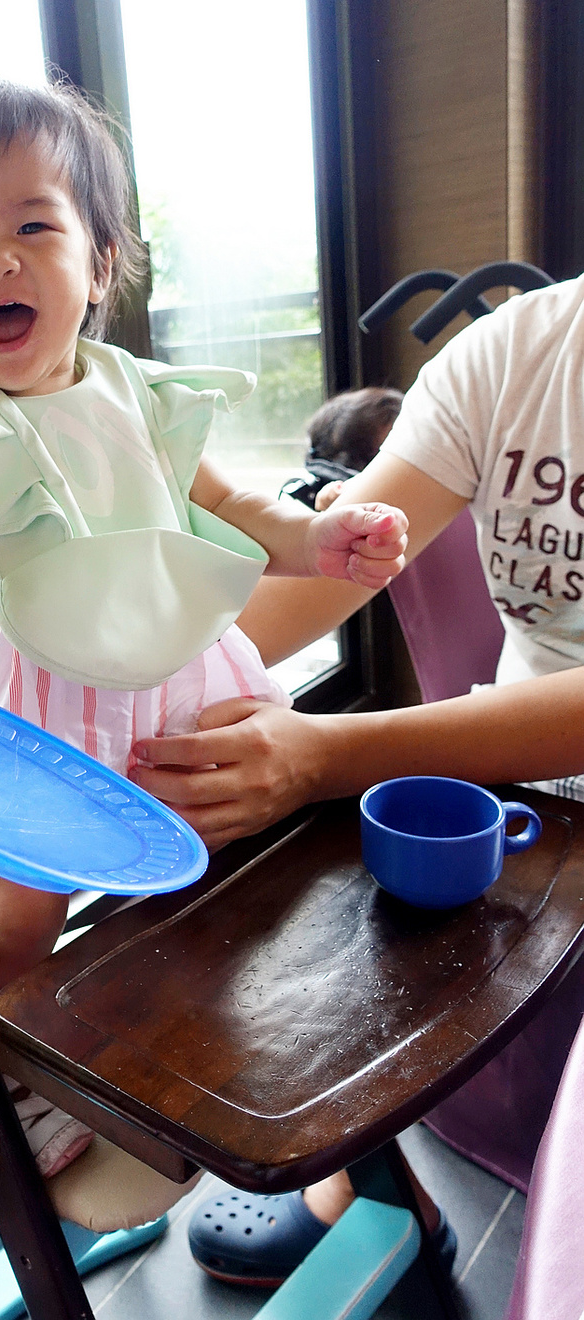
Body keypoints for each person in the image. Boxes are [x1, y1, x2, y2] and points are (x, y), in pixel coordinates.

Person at [0, 74, 408, 1178]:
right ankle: (6, 1070)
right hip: (18, 709)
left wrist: (318, 540)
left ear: (101, 265)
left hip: (154, 675)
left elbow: (233, 508)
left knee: (227, 853)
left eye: (35, 223)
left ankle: (178, 1025)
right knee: (24, 923)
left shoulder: (141, 395)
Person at [135, 276, 584, 1281]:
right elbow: (341, 566)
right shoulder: (514, 353)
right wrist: (122, 693)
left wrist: (326, 755)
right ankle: (382, 1177)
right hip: (524, 782)